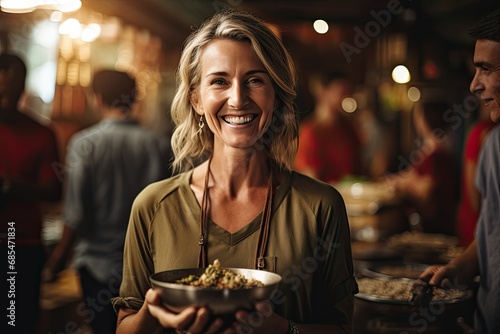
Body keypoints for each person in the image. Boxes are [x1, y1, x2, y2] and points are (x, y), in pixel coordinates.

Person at [112, 10, 358, 334]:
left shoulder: (321, 206)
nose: (238, 98)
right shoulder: (153, 206)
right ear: (197, 99)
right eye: (219, 81)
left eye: (255, 80)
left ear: (276, 96)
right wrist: (153, 310)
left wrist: (284, 330)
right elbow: (125, 327)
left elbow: (342, 329)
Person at [44, 69, 171, 334]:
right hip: (146, 266)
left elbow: (75, 213)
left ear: (96, 97)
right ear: (134, 98)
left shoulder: (84, 144)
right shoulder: (159, 145)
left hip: (96, 266)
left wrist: (55, 262)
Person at [420, 8, 500, 334]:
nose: (474, 85)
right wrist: (459, 267)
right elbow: (491, 229)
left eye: (486, 69)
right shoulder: (494, 146)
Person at [0, 53, 62, 333]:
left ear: (22, 88)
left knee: (16, 322)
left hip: (18, 243)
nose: (5, 98)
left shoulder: (42, 133)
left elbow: (53, 190)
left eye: (11, 92)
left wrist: (12, 186)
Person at [385, 100, 458, 235]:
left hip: (434, 226)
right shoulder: (432, 150)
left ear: (425, 120)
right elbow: (412, 174)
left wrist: (403, 185)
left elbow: (426, 191)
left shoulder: (436, 155)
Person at [294, 70, 363, 184]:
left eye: (348, 92)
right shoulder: (310, 132)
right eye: (341, 92)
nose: (346, 97)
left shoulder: (348, 128)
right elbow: (312, 182)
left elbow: (360, 168)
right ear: (323, 92)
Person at [457, 104, 496, 246]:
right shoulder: (483, 131)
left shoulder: (482, 131)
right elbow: (475, 197)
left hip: (480, 224)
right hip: (480, 225)